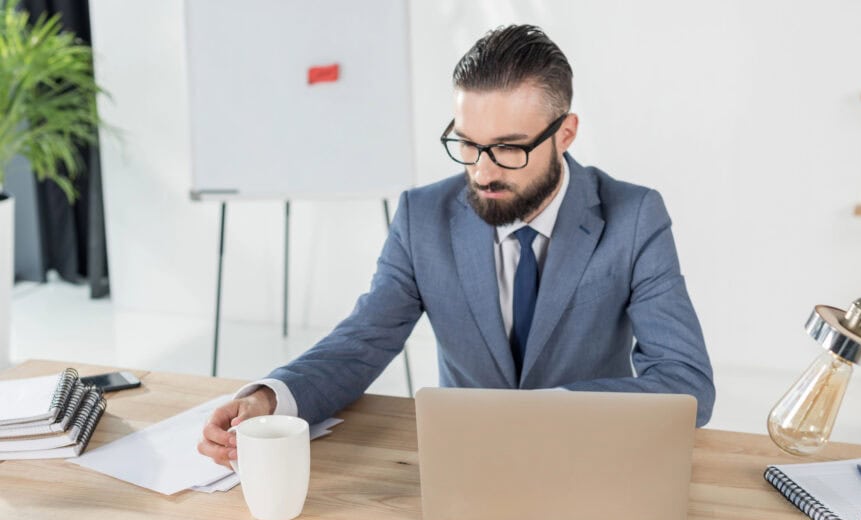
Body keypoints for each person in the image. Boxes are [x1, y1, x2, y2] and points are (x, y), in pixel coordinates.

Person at [199, 24, 714, 467]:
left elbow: (685, 380)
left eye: (509, 147)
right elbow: (362, 342)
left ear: (565, 134)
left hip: (591, 458)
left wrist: (547, 412)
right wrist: (269, 397)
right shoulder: (422, 217)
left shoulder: (634, 216)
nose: (482, 171)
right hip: (465, 463)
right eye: (467, 143)